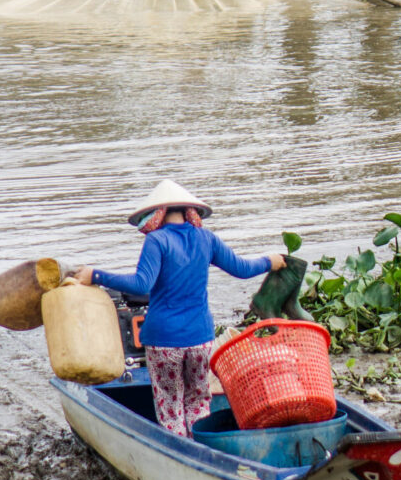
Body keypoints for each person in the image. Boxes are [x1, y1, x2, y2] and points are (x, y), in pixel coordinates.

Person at [74, 179, 286, 439]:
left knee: (170, 405)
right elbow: (241, 269)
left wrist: (95, 275)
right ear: (189, 212)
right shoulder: (206, 238)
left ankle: (178, 450)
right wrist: (270, 261)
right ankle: (202, 449)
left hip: (164, 342)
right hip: (200, 340)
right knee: (198, 401)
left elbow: (142, 283)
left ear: (157, 214)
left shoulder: (157, 241)